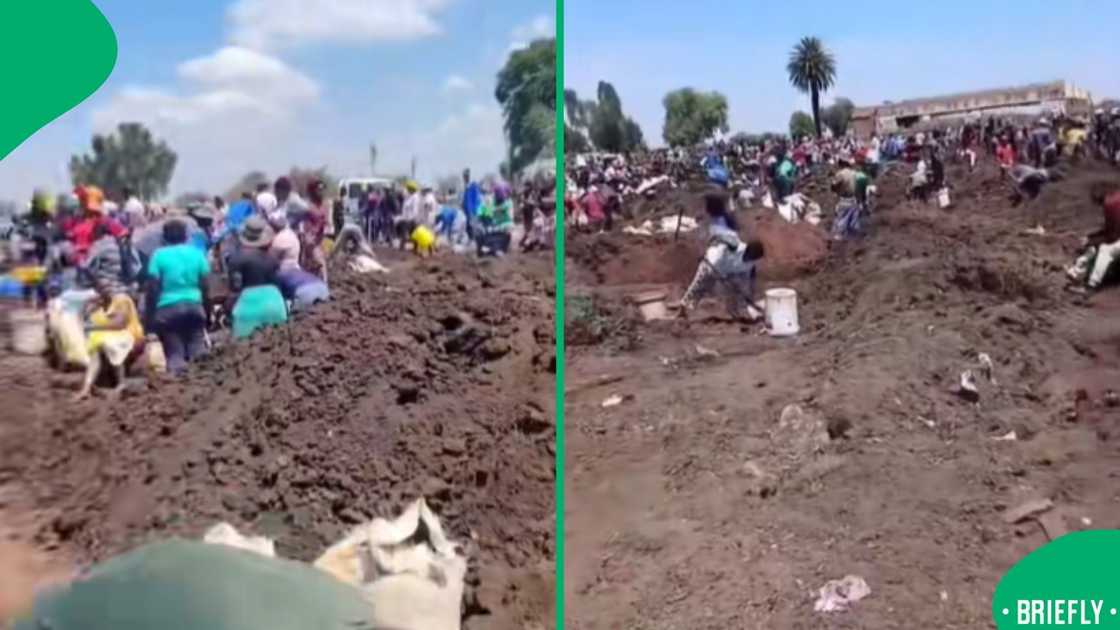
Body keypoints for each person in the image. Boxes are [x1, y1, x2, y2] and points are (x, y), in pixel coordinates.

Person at [676, 191, 766, 321]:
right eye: (753, 256)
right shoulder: (734, 246)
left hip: (728, 271)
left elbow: (746, 282)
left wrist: (747, 295)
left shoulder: (750, 265)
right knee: (697, 288)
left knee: (735, 292)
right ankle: (682, 311)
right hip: (711, 266)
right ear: (748, 251)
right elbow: (715, 253)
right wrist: (710, 261)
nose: (753, 259)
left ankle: (735, 313)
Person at [145, 219, 211, 374]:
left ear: (164, 237)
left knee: (174, 353)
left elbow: (152, 289)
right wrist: (207, 313)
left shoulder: (158, 256)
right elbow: (206, 287)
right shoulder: (197, 254)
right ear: (186, 235)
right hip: (195, 306)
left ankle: (178, 388)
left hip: (168, 310)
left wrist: (149, 320)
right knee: (198, 350)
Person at [74, 276, 144, 400]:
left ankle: (121, 383)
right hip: (113, 336)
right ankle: (86, 387)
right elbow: (83, 319)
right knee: (97, 348)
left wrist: (94, 327)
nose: (106, 290)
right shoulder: (100, 303)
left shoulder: (121, 300)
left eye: (108, 286)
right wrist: (89, 308)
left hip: (130, 335)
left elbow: (119, 324)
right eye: (101, 288)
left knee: (109, 344)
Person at [226, 216, 287, 340]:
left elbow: (235, 288)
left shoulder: (236, 260)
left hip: (249, 307)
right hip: (275, 304)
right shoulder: (273, 259)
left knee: (243, 347)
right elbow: (279, 284)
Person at [1068, 182, 1120, 291]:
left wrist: (1092, 241)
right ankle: (1077, 272)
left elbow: (1112, 237)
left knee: (1105, 250)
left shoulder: (1110, 203)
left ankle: (1090, 286)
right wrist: (1092, 238)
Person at [831, 158, 870, 240]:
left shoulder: (840, 174)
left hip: (844, 199)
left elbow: (833, 185)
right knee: (853, 220)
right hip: (853, 199)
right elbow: (858, 187)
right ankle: (852, 237)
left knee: (841, 218)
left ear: (841, 164)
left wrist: (835, 190)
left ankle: (838, 237)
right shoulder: (854, 173)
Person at [300, 180, 329, 282]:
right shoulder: (307, 206)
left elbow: (326, 221)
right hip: (309, 238)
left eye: (322, 189)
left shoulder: (325, 205)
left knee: (315, 262)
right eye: (319, 190)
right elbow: (302, 222)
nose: (321, 192)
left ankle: (319, 282)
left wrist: (327, 226)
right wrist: (305, 236)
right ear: (313, 191)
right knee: (318, 261)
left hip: (320, 239)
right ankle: (324, 283)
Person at [461, 169, 482, 239]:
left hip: (474, 211)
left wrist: (472, 210)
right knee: (469, 227)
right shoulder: (467, 187)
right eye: (464, 176)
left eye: (465, 176)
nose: (464, 178)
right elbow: (465, 200)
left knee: (474, 227)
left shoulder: (473, 186)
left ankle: (476, 240)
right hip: (468, 211)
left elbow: (475, 199)